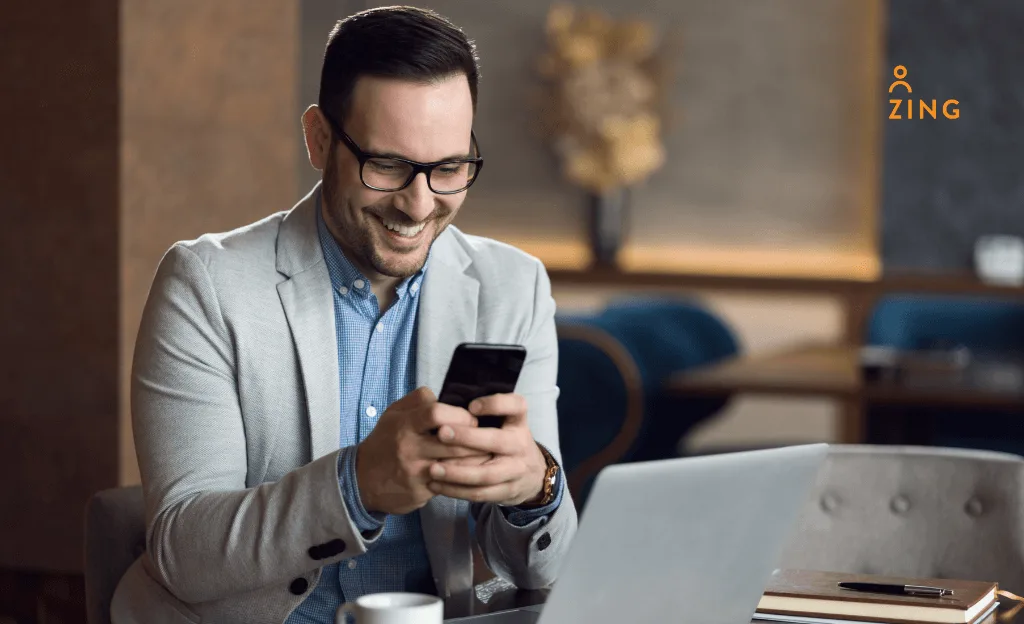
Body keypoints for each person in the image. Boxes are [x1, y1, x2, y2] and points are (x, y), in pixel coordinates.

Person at [110, 6, 578, 624]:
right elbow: (183, 554)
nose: (419, 205)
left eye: (448, 169)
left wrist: (535, 489)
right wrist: (356, 488)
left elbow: (545, 570)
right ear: (320, 139)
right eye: (387, 165)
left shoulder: (512, 287)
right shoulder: (205, 285)